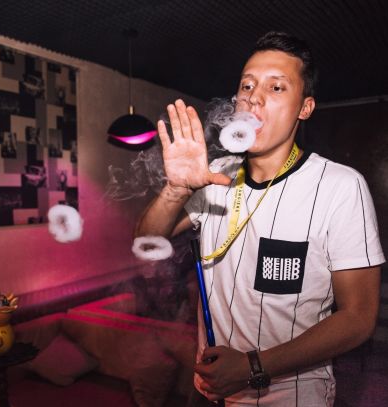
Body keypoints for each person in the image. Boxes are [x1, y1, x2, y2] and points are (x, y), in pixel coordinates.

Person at [135, 31, 384, 406]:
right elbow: (145, 241)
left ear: (305, 108)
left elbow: (358, 318)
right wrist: (176, 189)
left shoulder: (340, 187)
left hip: (293, 396)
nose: (254, 97)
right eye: (247, 86)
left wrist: (252, 367)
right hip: (212, 389)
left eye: (277, 87)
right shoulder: (216, 173)